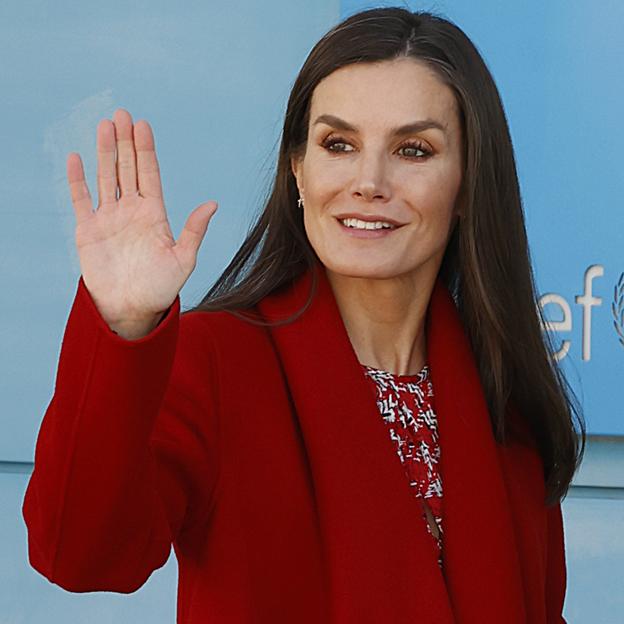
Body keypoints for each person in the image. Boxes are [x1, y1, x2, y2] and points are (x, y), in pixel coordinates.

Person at [22, 6, 585, 623]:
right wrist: (123, 322)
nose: (369, 181)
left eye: (414, 150)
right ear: (298, 168)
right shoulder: (214, 358)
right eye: (338, 144)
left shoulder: (505, 400)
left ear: (468, 184)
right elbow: (81, 555)